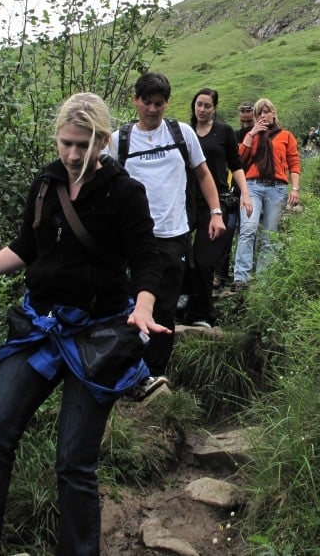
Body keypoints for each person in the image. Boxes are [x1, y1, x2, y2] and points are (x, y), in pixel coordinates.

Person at [0, 92, 167, 556]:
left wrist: (144, 306)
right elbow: (25, 248)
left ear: (103, 142)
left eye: (83, 145)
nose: (72, 154)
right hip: (40, 328)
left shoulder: (125, 193)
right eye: (66, 143)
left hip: (97, 337)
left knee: (73, 461)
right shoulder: (46, 185)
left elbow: (147, 259)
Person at [109, 73, 225, 377]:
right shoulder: (118, 140)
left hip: (174, 234)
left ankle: (154, 373)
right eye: (146, 102)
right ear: (135, 100)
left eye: (158, 103)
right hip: (131, 238)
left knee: (164, 307)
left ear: (167, 104)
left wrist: (216, 211)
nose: (152, 109)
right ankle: (125, 370)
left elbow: (203, 173)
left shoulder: (181, 133)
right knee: (129, 305)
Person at [181, 88, 253, 328]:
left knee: (204, 260)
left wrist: (245, 194)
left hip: (216, 202)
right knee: (178, 256)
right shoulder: (184, 132)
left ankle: (203, 315)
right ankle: (181, 306)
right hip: (185, 201)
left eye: (207, 106)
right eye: (199, 104)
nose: (201, 109)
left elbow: (236, 164)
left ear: (214, 109)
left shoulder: (223, 132)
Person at [234, 97, 301, 288]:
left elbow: (294, 163)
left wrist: (295, 188)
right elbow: (238, 159)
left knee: (270, 235)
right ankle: (241, 278)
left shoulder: (286, 136)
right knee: (248, 228)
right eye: (259, 113)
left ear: (273, 113)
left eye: (266, 111)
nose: (263, 115)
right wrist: (251, 134)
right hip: (252, 186)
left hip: (277, 188)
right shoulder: (252, 135)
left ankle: (263, 282)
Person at [215, 101, 257, 292]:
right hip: (234, 191)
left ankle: (246, 275)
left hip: (254, 189)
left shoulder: (260, 137)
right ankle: (220, 274)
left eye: (249, 121)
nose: (246, 125)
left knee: (248, 233)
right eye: (243, 121)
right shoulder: (233, 135)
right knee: (227, 232)